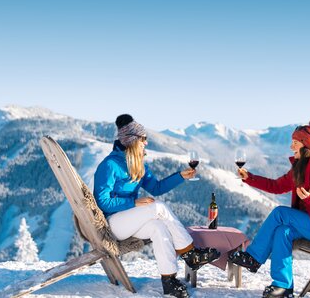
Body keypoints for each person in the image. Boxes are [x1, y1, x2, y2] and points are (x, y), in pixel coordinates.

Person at [93, 114, 219, 298]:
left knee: (158, 228)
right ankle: (190, 254)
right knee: (158, 207)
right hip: (113, 224)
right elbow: (102, 202)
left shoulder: (137, 163)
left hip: (130, 221)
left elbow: (156, 188)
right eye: (143, 139)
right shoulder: (110, 165)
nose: (146, 143)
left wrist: (181, 176)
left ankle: (169, 280)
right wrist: (134, 202)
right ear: (133, 140)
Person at [228, 119, 310, 298]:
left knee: (280, 213)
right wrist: (249, 177)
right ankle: (283, 286)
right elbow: (276, 186)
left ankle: (253, 258)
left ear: (305, 145)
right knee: (282, 231)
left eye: (295, 143)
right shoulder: (300, 168)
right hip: (307, 223)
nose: (291, 147)